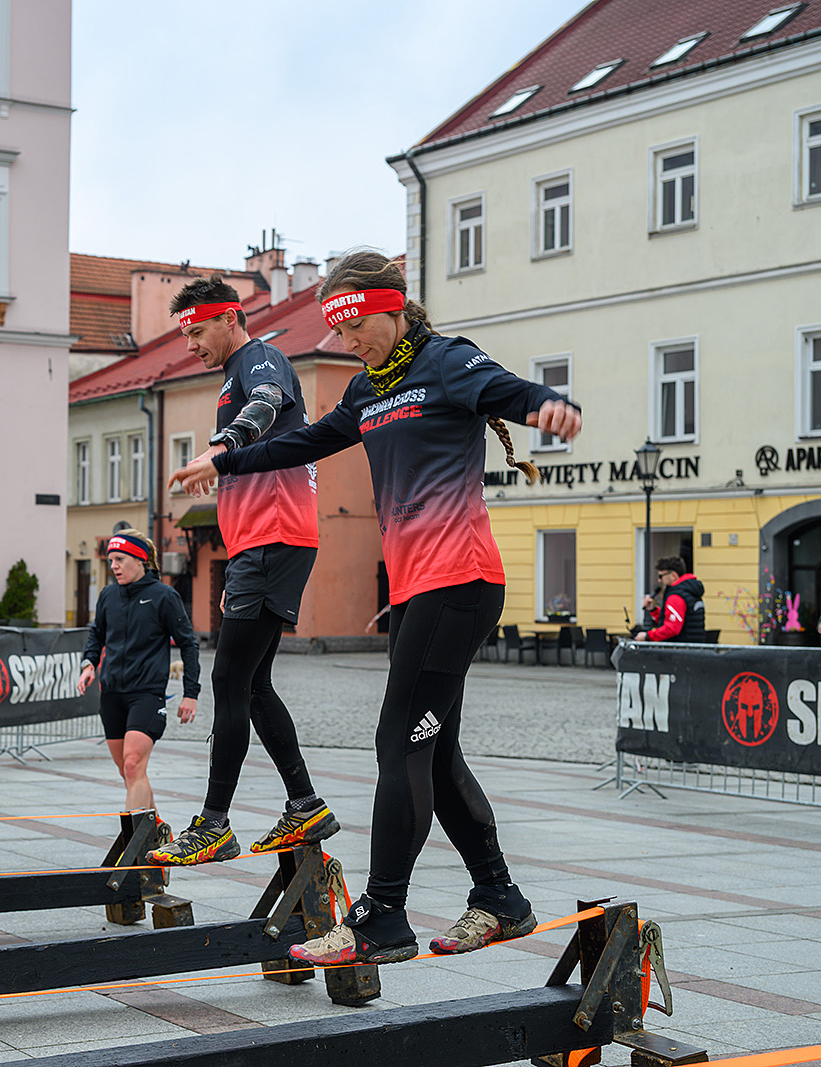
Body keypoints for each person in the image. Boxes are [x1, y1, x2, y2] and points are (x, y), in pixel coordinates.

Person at [171, 249, 581, 964]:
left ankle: (383, 916)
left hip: (460, 583)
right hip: (415, 590)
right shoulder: (366, 390)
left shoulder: (446, 362)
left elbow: (507, 390)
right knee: (433, 748)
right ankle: (500, 897)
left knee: (399, 743)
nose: (348, 341)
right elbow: (304, 441)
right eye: (340, 331)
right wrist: (223, 459)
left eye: (356, 326)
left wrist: (547, 406)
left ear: (391, 308)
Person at [147, 274, 340, 868]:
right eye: (185, 335)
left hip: (271, 539)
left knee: (230, 679)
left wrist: (220, 449)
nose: (190, 345)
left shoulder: (261, 359)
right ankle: (306, 805)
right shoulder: (234, 374)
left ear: (229, 318)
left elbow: (266, 405)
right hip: (263, 542)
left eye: (197, 331)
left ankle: (215, 825)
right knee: (253, 685)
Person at [77, 531, 200, 833]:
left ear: (140, 559)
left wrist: (191, 693)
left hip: (146, 694)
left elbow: (189, 644)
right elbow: (96, 634)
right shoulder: (108, 596)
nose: (114, 566)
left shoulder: (164, 596)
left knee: (133, 765)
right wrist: (89, 663)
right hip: (112, 694)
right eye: (111, 561)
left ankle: (134, 844)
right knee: (128, 772)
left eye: (120, 559)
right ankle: (158, 833)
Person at [633, 558, 706, 642]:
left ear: (673, 576)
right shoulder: (690, 591)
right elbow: (679, 619)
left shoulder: (676, 596)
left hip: (679, 647)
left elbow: (672, 628)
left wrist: (647, 636)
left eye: (661, 576)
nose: (659, 580)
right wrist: (654, 610)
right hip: (693, 645)